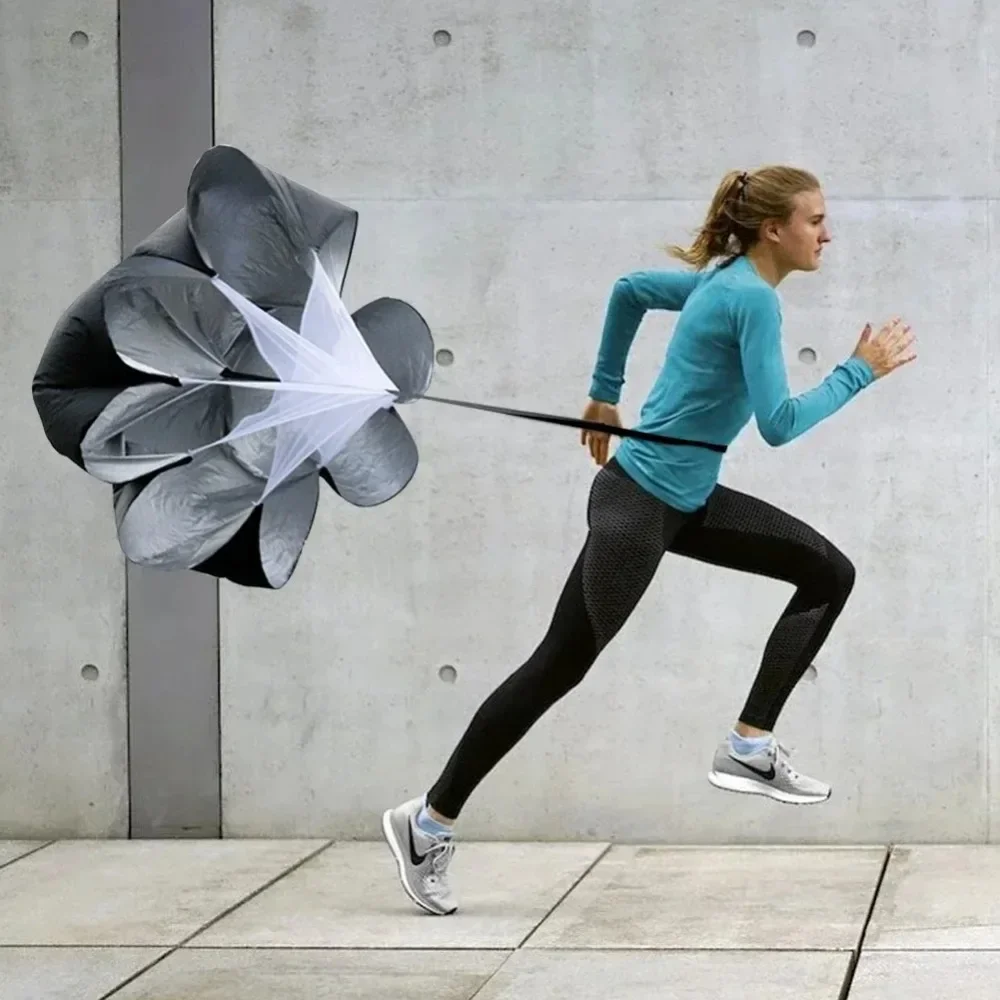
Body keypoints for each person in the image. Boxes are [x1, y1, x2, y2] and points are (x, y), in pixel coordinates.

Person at [381, 165, 916, 916]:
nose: (826, 234)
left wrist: (605, 389)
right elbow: (779, 424)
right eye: (815, 220)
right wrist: (862, 370)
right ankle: (428, 821)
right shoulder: (751, 300)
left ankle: (749, 744)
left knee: (829, 572)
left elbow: (630, 290)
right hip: (639, 506)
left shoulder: (724, 282)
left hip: (681, 498)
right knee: (556, 666)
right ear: (774, 230)